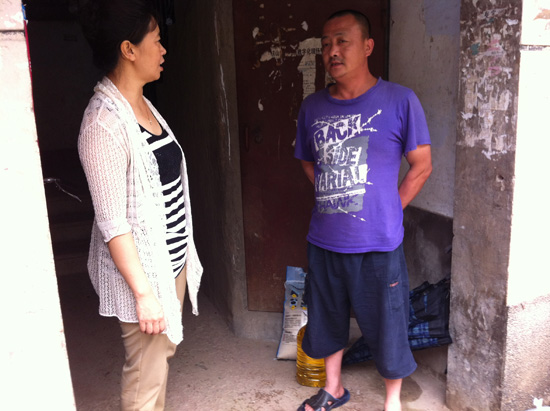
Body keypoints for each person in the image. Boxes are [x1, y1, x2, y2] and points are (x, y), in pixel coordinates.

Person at [294, 9, 432, 411]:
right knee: (327, 316)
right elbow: (308, 161)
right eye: (326, 45)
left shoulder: (400, 100)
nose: (332, 51)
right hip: (325, 239)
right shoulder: (313, 107)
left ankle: (393, 400)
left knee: (388, 323)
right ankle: (333, 388)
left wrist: (389, 207)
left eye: (342, 41)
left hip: (379, 243)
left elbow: (422, 166)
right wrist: (334, 192)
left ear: (368, 46)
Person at [77, 1, 203, 409]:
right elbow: (113, 224)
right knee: (145, 378)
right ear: (129, 49)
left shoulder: (143, 105)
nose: (164, 50)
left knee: (159, 362)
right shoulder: (103, 124)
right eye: (157, 40)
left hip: (170, 264)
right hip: (144, 278)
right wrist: (144, 294)